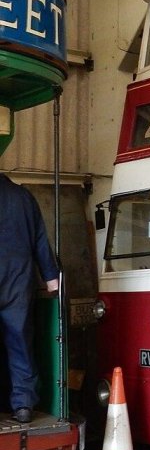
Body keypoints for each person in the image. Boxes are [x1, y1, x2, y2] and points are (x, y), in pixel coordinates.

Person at [0, 174, 59, 424]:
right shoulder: (23, 197)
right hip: (17, 279)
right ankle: (23, 405)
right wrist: (50, 276)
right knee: (19, 339)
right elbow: (39, 241)